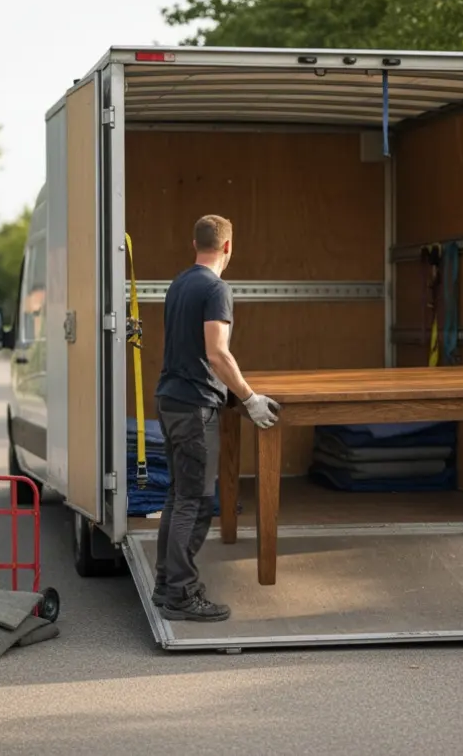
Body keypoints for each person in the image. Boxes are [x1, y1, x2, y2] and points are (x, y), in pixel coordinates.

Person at [150, 214, 281, 622]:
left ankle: (165, 585)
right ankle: (182, 595)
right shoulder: (216, 289)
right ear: (228, 247)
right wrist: (250, 398)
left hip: (170, 399)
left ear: (195, 244)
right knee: (195, 502)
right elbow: (217, 352)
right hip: (192, 408)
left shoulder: (179, 283)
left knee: (178, 497)